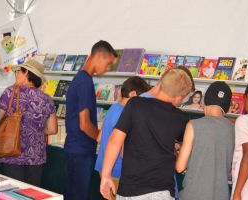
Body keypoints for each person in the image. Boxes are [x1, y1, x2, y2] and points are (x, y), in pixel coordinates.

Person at [100, 69, 193, 200]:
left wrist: (105, 176)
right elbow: (186, 149)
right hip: (160, 191)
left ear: (161, 85)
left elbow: (115, 141)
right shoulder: (180, 118)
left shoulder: (135, 104)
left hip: (128, 189)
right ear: (179, 97)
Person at [64, 40, 117, 200]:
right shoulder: (85, 82)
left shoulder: (81, 79)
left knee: (73, 194)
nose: (107, 69)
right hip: (80, 150)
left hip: (76, 148)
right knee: (78, 195)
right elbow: (84, 123)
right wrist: (101, 138)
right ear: (99, 56)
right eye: (108, 64)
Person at [0, 59, 58, 186]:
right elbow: (53, 129)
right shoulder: (47, 99)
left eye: (18, 72)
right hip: (36, 156)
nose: (16, 75)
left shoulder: (10, 93)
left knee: (14, 194)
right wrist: (36, 129)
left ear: (27, 74)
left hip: (11, 153)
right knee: (32, 192)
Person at [176, 81, 234, 200]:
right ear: (227, 107)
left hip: (193, 194)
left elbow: (180, 167)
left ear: (204, 101)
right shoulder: (233, 128)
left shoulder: (193, 125)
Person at [95, 77, 150, 200]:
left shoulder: (113, 107)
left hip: (104, 167)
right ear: (133, 94)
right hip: (118, 170)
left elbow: (99, 138)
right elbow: (124, 151)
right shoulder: (127, 113)